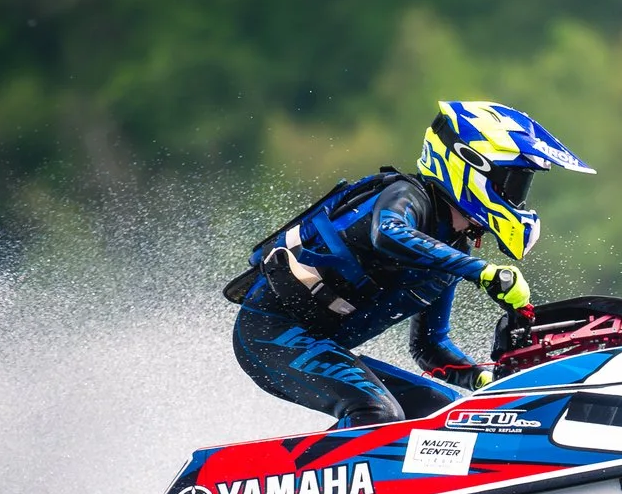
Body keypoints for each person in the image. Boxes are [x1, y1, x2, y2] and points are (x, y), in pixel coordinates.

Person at [226, 99, 594, 427]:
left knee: (451, 414)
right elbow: (387, 233)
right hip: (270, 333)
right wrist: (484, 274)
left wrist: (482, 379)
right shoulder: (407, 196)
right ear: (471, 163)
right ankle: (325, 493)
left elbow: (430, 347)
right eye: (515, 184)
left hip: (320, 343)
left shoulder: (453, 249)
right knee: (375, 412)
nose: (519, 199)